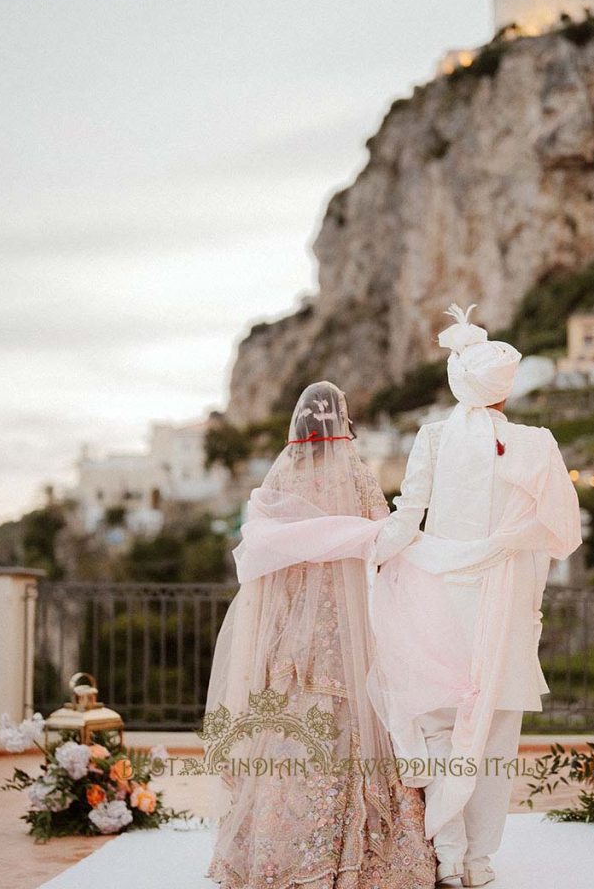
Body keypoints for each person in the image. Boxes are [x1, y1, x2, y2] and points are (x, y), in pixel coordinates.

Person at [368, 304, 582, 888]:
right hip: (506, 604)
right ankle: (480, 861)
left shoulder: (434, 438)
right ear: (506, 389)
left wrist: (365, 550)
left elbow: (407, 517)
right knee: (494, 738)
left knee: (440, 726)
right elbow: (562, 533)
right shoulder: (536, 443)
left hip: (436, 597)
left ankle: (448, 853)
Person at [205, 380, 436, 889]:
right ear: (341, 421)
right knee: (357, 718)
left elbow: (260, 551)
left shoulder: (281, 478)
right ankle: (359, 850)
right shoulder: (355, 474)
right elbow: (384, 536)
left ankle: (276, 848)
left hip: (291, 631)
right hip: (348, 627)